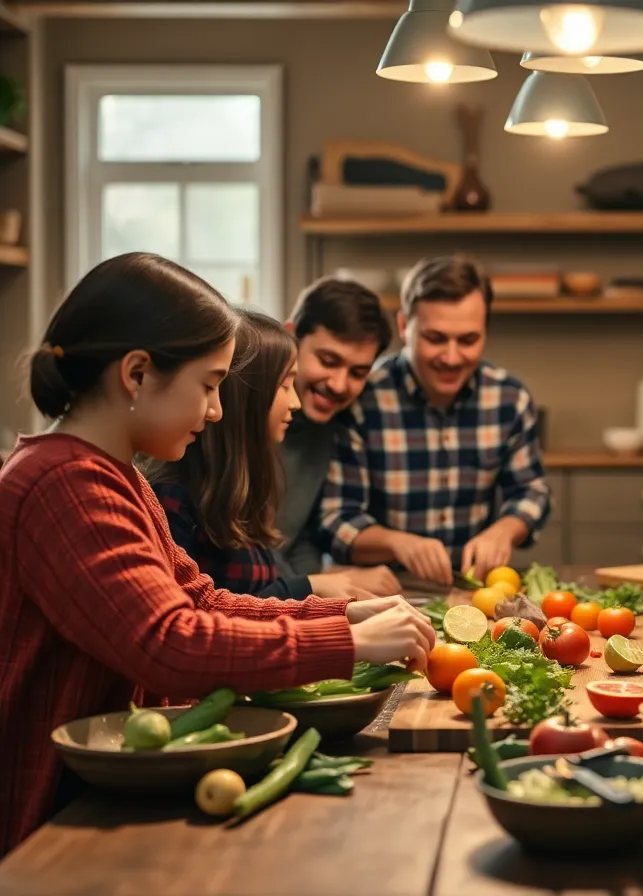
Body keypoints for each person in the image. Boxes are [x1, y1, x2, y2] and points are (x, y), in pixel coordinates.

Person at [0, 252, 436, 856]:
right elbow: (169, 644)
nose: (218, 410)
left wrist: (339, 616)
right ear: (136, 374)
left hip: (108, 785)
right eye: (208, 385)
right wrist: (347, 644)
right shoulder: (64, 485)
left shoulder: (117, 476)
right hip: (52, 814)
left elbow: (200, 599)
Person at [319, 254, 551, 585]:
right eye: (436, 338)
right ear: (404, 327)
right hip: (383, 592)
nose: (452, 357)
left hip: (474, 588)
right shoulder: (361, 398)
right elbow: (334, 519)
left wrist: (504, 531)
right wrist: (399, 544)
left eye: (468, 340)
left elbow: (532, 490)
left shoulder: (509, 399)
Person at [146, 308, 379, 600]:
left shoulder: (242, 484)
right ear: (247, 397)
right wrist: (307, 587)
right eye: (284, 387)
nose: (294, 403)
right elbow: (201, 613)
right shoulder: (173, 496)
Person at [276, 277, 399, 596]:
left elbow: (297, 537)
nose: (340, 384)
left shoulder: (330, 423)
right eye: (328, 361)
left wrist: (325, 585)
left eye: (358, 372)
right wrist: (317, 584)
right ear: (291, 335)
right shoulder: (242, 416)